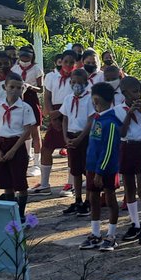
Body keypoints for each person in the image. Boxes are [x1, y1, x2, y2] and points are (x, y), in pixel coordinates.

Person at [79, 81, 126, 251]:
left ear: (98, 100)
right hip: (93, 168)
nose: (93, 103)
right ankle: (96, 234)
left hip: (106, 169)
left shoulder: (111, 122)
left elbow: (108, 150)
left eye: (94, 100)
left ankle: (111, 235)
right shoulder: (97, 119)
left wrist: (100, 172)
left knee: (110, 199)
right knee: (93, 198)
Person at [0, 73, 37, 216]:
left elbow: (27, 131)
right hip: (1, 144)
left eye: (19, 88)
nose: (15, 90)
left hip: (16, 145)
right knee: (6, 182)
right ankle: (11, 212)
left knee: (19, 181)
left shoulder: (25, 108)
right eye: (12, 87)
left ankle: (20, 213)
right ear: (5, 87)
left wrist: (13, 150)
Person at [118, 77, 141, 244]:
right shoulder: (119, 109)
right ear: (124, 92)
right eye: (133, 91)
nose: (137, 95)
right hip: (127, 147)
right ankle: (135, 224)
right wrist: (130, 113)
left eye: (139, 90)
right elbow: (122, 132)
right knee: (129, 189)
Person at [34, 50, 77, 195]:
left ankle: (70, 184)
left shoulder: (78, 77)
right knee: (47, 148)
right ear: (61, 62)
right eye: (66, 61)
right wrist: (51, 115)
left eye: (72, 62)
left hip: (71, 113)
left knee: (72, 150)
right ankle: (45, 184)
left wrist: (61, 113)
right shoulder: (52, 76)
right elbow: (47, 96)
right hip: (55, 113)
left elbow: (77, 96)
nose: (68, 65)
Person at [61, 69, 95, 216]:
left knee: (87, 169)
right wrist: (66, 138)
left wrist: (80, 138)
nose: (76, 85)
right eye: (73, 82)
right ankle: (78, 199)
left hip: (85, 137)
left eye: (80, 83)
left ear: (86, 84)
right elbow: (65, 119)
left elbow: (90, 120)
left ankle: (88, 200)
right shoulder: (68, 98)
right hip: (71, 136)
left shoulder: (90, 99)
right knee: (75, 169)